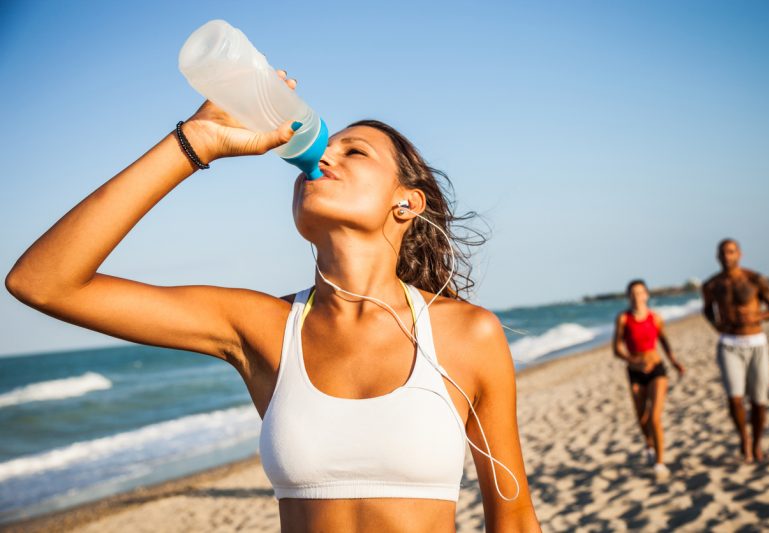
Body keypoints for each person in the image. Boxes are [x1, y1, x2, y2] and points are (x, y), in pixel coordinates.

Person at [4, 70, 541, 532]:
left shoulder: (467, 334)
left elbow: (513, 518)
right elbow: (43, 282)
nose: (323, 155)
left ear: (407, 202)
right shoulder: (261, 325)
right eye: (324, 148)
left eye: (354, 151)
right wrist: (194, 144)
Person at [701, 238, 769, 463]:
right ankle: (744, 439)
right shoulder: (711, 285)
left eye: (731, 252)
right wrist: (715, 324)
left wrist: (760, 315)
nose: (727, 256)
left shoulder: (754, 279)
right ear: (717, 257)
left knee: (759, 400)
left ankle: (757, 443)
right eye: (723, 253)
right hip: (729, 344)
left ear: (740, 254)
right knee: (734, 398)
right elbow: (707, 310)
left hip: (756, 342)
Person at [613, 279, 685, 481]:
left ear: (647, 295)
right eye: (633, 293)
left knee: (654, 416)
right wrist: (631, 360)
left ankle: (660, 463)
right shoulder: (623, 319)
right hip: (635, 371)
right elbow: (616, 348)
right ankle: (649, 445)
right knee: (642, 417)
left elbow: (664, 340)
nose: (637, 296)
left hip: (656, 368)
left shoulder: (655, 318)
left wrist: (674, 361)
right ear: (628, 296)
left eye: (640, 292)